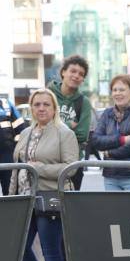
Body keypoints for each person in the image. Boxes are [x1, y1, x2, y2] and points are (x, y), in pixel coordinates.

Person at [10, 88, 78, 261]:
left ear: (54, 108)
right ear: (31, 107)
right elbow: (18, 167)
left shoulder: (63, 133)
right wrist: (12, 197)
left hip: (48, 199)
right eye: (37, 104)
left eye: (46, 104)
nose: (41, 108)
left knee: (50, 252)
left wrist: (42, 169)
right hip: (24, 199)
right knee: (18, 248)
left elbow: (71, 169)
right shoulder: (27, 132)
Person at [90, 74, 130, 191]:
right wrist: (122, 140)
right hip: (110, 175)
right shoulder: (107, 113)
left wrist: (110, 153)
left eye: (122, 90)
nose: (117, 93)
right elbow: (96, 141)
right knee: (113, 209)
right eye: (114, 90)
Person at [47, 55, 92, 189]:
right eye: (73, 71)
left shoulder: (83, 102)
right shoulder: (48, 94)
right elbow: (41, 125)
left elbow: (83, 135)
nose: (76, 76)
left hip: (72, 162)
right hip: (47, 160)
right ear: (63, 72)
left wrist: (54, 127)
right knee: (45, 205)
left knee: (70, 206)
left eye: (81, 74)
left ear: (83, 79)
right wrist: (68, 125)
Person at [1, 96, 29, 195]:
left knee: (10, 193)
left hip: (7, 157)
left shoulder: (6, 105)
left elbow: (20, 131)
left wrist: (17, 154)